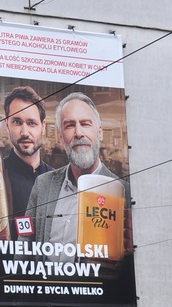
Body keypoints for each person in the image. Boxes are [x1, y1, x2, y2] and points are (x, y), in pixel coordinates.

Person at [25, 92, 131, 254]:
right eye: (70, 125)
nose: (79, 133)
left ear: (100, 133)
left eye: (85, 124)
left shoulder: (124, 192)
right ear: (61, 137)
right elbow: (25, 241)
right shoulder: (43, 184)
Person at [1, 85, 51, 219]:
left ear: (43, 126)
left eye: (31, 123)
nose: (25, 133)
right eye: (17, 122)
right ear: (7, 125)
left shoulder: (57, 179)